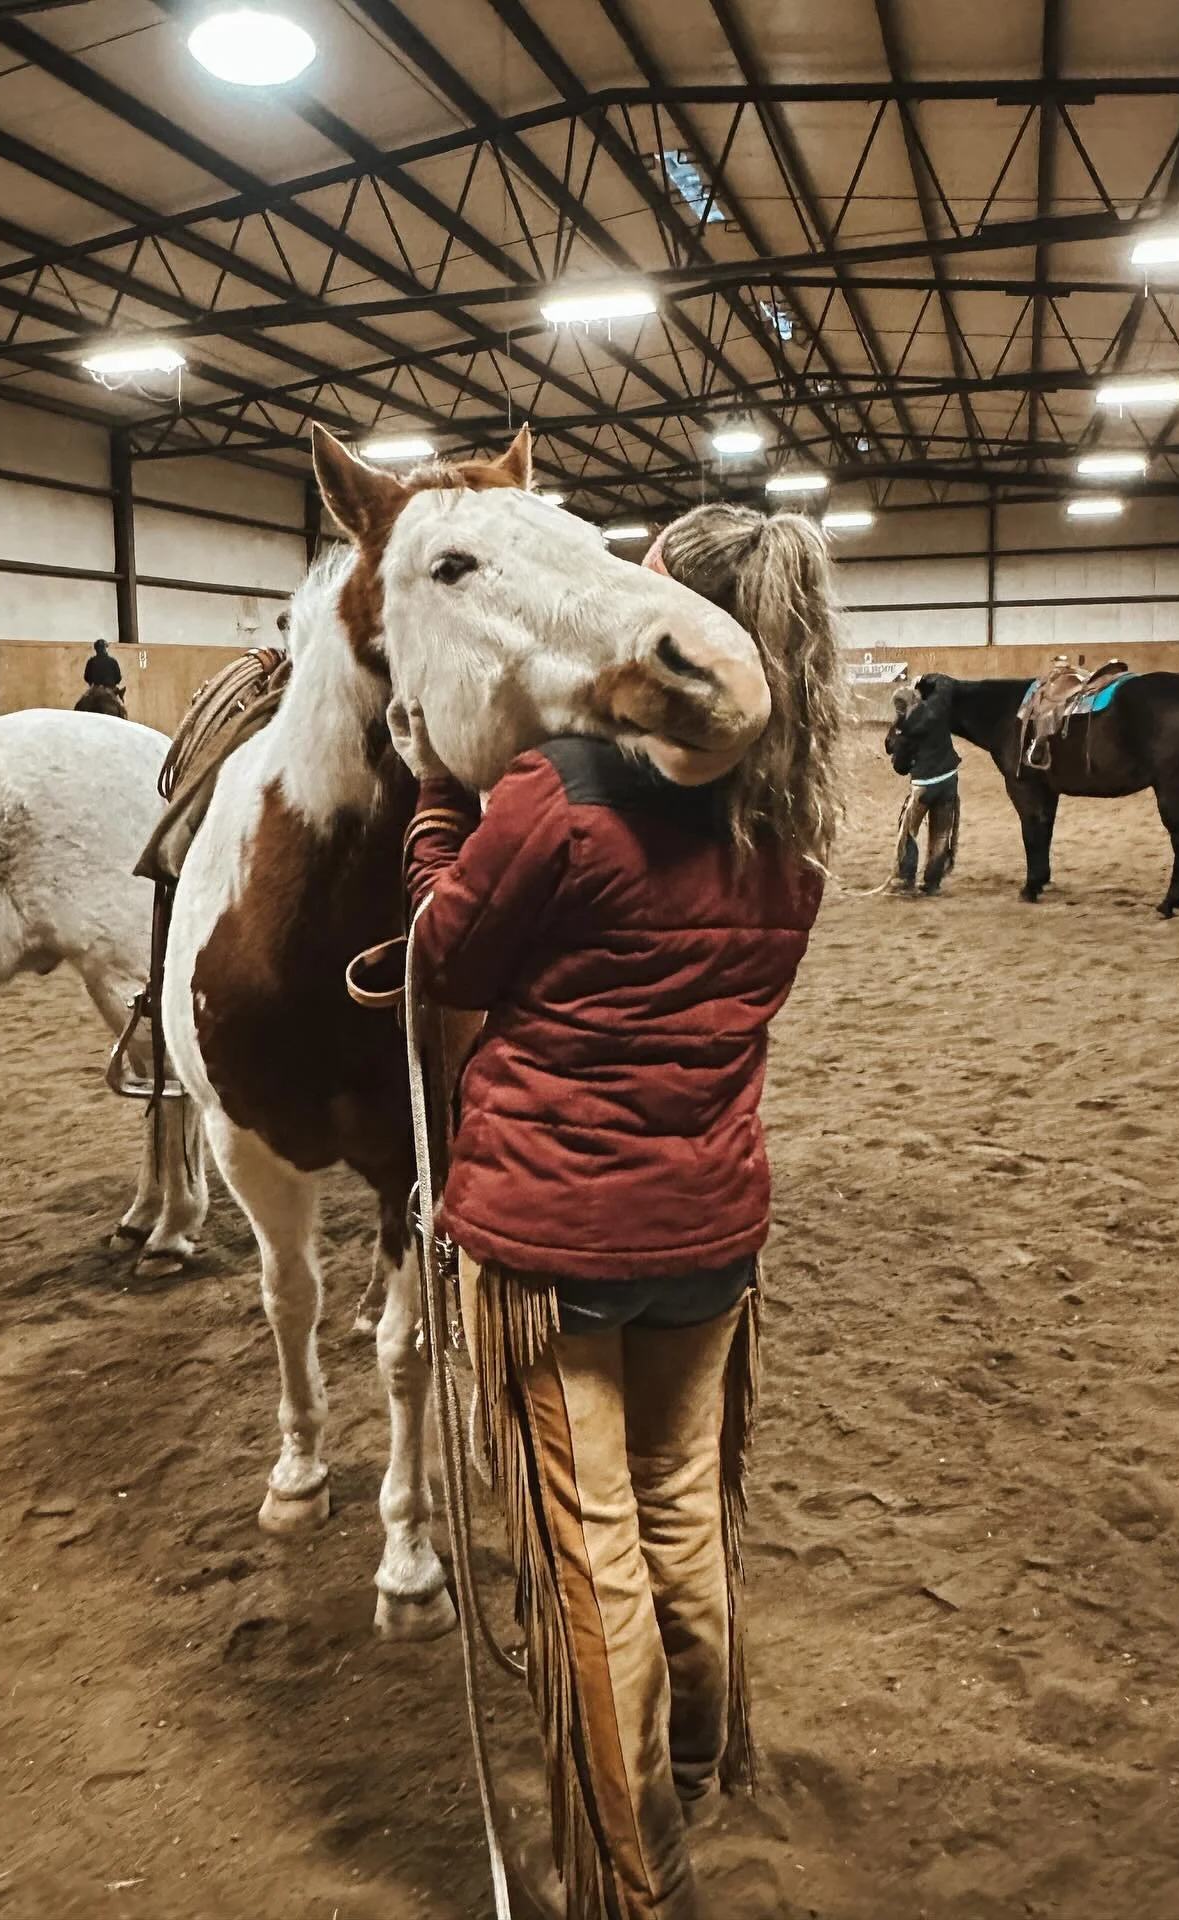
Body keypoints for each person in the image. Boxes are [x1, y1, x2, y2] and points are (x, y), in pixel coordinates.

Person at [393, 501, 843, 1920]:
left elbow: (447, 954)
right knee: (682, 1511)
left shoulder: (561, 795)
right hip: (711, 1224)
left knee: (589, 1548)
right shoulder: (797, 825)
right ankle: (704, 1750)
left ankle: (632, 1864)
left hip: (553, 1238)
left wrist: (433, 811)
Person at [887, 677, 960, 895]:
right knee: (940, 833)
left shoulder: (903, 730)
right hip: (949, 779)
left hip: (923, 785)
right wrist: (927, 679)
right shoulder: (936, 708)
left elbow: (900, 767)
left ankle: (905, 879)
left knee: (908, 831)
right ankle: (932, 882)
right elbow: (945, 686)